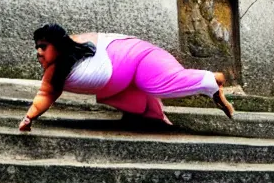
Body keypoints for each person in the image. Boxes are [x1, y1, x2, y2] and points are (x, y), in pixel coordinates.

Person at [19, 23, 234, 131]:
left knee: (158, 84)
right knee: (127, 101)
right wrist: (29, 117)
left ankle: (212, 80)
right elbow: (45, 94)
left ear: (58, 46)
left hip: (138, 59)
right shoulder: (54, 72)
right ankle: (156, 115)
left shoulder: (73, 49)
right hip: (120, 82)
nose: (38, 52)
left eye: (43, 47)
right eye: (37, 47)